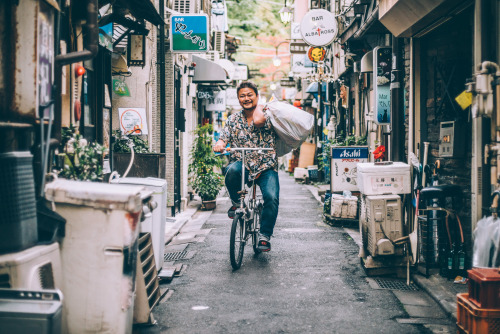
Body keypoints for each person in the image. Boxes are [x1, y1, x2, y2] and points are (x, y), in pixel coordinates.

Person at [213, 81, 279, 252]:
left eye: (250, 94)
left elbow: (258, 121)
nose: (246, 98)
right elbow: (224, 137)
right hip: (242, 163)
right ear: (238, 99)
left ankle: (264, 236)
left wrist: (261, 105)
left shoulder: (268, 114)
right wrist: (220, 144)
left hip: (266, 165)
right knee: (230, 171)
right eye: (242, 96)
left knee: (271, 197)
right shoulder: (233, 119)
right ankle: (236, 203)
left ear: (257, 96)